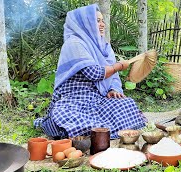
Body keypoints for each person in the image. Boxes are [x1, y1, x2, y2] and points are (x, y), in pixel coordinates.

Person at [34, 4, 146, 139]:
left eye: (102, 20)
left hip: (96, 97)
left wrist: (112, 89)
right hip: (74, 98)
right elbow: (94, 73)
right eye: (97, 21)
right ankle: (89, 130)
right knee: (65, 116)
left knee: (125, 104)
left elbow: (113, 76)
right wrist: (119, 66)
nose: (102, 24)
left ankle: (97, 131)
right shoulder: (74, 43)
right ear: (85, 23)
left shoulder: (103, 46)